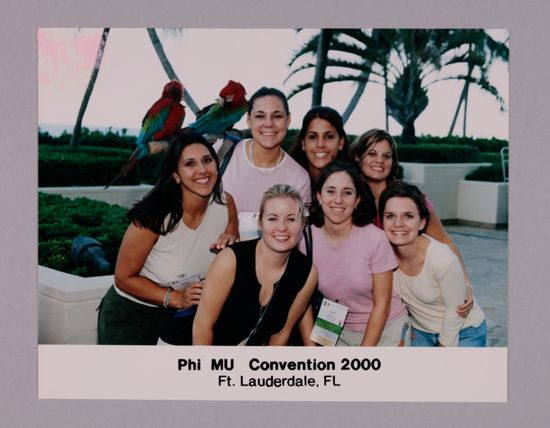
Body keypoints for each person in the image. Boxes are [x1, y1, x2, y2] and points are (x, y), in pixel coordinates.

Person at [97, 130, 239, 345]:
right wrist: (175, 298)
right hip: (131, 316)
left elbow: (231, 242)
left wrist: (231, 244)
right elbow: (124, 278)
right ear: (175, 175)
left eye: (207, 160)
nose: (202, 170)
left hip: (183, 315)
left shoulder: (225, 203)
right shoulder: (153, 218)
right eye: (190, 164)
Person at [349, 129, 475, 311]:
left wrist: (466, 283)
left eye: (387, 156)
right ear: (357, 157)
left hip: (404, 298)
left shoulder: (409, 198)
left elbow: (445, 240)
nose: (380, 161)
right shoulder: (349, 198)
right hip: (361, 298)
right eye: (372, 153)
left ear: (393, 162)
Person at [299, 161, 408, 346]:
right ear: (318, 196)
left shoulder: (375, 239)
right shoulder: (305, 240)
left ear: (357, 200)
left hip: (385, 328)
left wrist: (362, 358)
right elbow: (301, 303)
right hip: (334, 328)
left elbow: (383, 304)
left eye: (347, 192)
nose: (338, 200)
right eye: (330, 191)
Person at [193, 184, 318, 346]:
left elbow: (280, 335)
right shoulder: (230, 260)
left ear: (302, 224)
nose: (282, 227)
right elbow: (202, 326)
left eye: (291, 219)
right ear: (260, 223)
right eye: (272, 218)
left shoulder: (306, 273)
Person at [379, 181, 487, 347]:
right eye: (390, 216)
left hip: (463, 331)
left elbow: (455, 312)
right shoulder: (381, 255)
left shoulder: (441, 258)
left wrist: (441, 350)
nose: (398, 223)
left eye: (408, 216)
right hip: (420, 332)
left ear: (421, 222)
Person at [221, 87, 311, 241]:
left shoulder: (299, 178)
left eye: (277, 116)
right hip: (213, 261)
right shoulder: (221, 153)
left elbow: (296, 237)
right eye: (260, 116)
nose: (268, 124)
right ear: (249, 120)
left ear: (288, 120)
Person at [288, 106, 351, 185]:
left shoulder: (354, 184)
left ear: (341, 143)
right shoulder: (287, 182)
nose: (320, 144)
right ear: (303, 143)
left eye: (329, 137)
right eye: (313, 137)